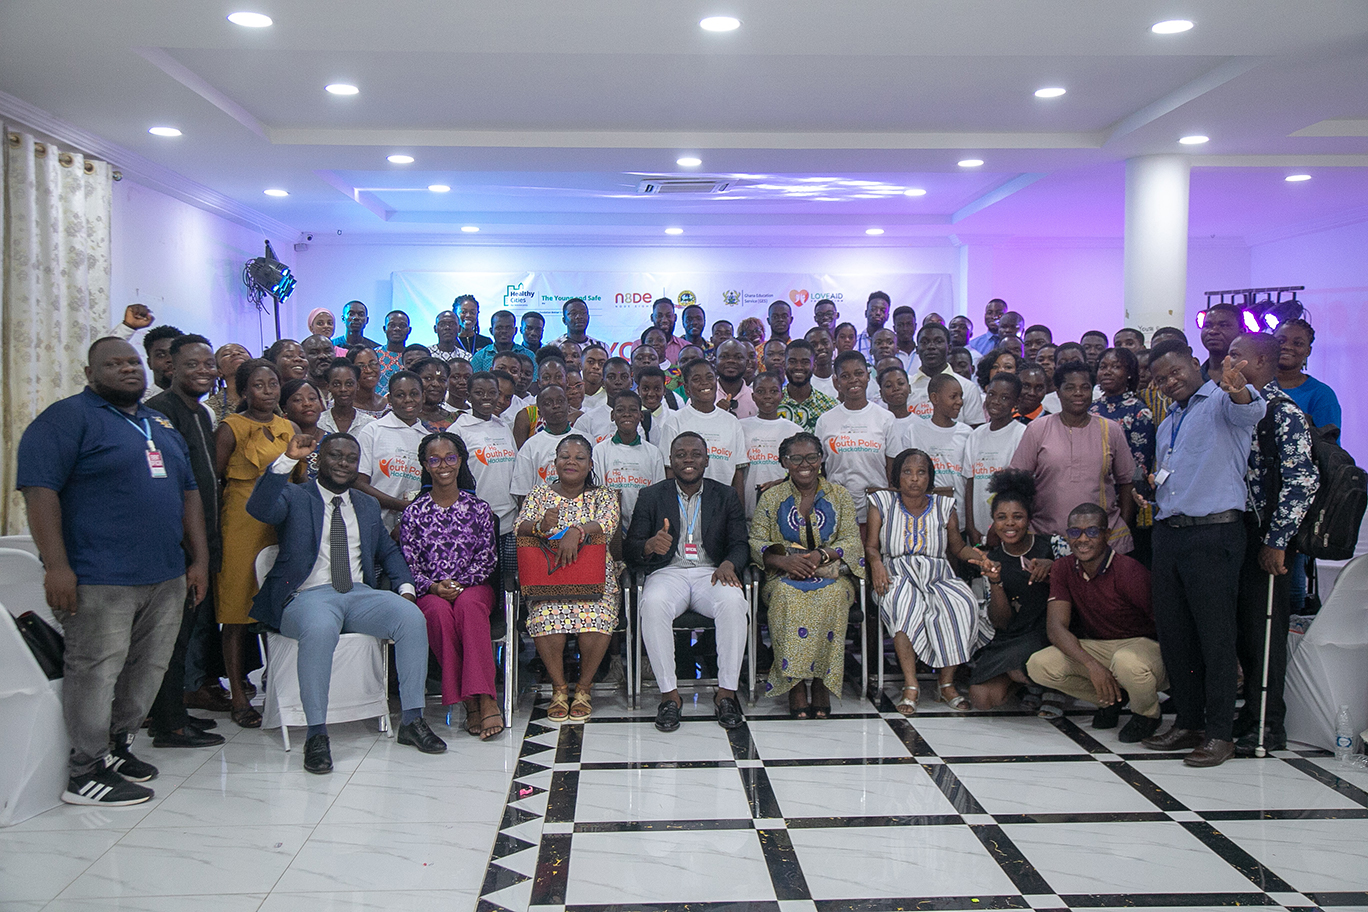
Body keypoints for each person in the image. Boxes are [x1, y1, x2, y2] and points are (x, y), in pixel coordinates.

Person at [19, 337, 209, 805]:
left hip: (165, 573)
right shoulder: (66, 419)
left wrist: (199, 560)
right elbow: (40, 491)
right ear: (89, 373)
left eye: (133, 362)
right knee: (96, 670)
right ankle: (85, 771)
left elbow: (189, 494)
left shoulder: (158, 422)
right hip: (99, 574)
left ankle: (119, 747)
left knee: (148, 667)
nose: (128, 370)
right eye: (113, 364)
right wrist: (57, 565)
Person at [247, 433, 446, 773]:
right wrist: (285, 460)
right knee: (321, 627)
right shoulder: (296, 496)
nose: (343, 463)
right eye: (335, 455)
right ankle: (316, 734)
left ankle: (412, 720)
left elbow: (388, 551)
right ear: (318, 460)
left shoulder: (365, 504)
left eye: (350, 458)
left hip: (356, 593)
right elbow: (259, 508)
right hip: (306, 596)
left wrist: (406, 588)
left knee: (411, 617)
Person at [1142, 340, 1265, 767]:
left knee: (1215, 638)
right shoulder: (1169, 420)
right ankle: (1188, 722)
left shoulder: (1220, 402)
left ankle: (1220, 734)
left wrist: (1237, 389)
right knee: (1176, 636)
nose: (1169, 382)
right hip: (1170, 534)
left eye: (1176, 372)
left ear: (1195, 364)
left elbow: (1251, 411)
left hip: (1214, 535)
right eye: (1160, 379)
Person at [1228, 333, 1317, 757]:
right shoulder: (1238, 407)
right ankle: (1249, 713)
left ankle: (1269, 723)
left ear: (1261, 361)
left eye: (1236, 356)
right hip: (1236, 531)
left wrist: (1278, 540)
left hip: (1268, 536)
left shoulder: (1283, 413)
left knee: (1266, 630)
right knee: (1246, 630)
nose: (1228, 361)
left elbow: (1302, 482)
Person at [627, 433, 750, 732]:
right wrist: (649, 546)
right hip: (669, 573)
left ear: (707, 460)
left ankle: (726, 694)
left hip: (712, 571)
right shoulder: (652, 496)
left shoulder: (725, 495)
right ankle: (670, 696)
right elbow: (631, 546)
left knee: (734, 603)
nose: (688, 460)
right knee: (653, 605)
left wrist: (729, 563)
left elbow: (741, 543)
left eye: (695, 454)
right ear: (671, 461)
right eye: (681, 454)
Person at [146, 335, 233, 738]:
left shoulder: (199, 414)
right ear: (171, 369)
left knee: (185, 635)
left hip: (203, 541)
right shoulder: (157, 413)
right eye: (192, 365)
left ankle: (174, 711)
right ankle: (166, 722)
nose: (203, 371)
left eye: (208, 364)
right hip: (174, 546)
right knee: (167, 637)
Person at [1025, 503, 1166, 742]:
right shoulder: (1063, 568)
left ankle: (1147, 714)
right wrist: (1092, 665)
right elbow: (1056, 627)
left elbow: (1165, 623)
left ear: (1106, 534)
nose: (1082, 539)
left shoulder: (1129, 571)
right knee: (1039, 664)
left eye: (1092, 531)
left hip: (1143, 647)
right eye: (1074, 532)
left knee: (1126, 663)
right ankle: (1110, 699)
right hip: (1100, 646)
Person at [866, 448, 989, 715]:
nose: (914, 479)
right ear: (897, 477)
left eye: (921, 472)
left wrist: (981, 559)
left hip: (937, 573)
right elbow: (872, 546)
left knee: (962, 602)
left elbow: (957, 548)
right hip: (896, 571)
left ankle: (946, 683)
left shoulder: (944, 506)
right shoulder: (882, 503)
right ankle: (911, 685)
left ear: (929, 477)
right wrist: (876, 564)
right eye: (907, 472)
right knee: (901, 603)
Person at [398, 432, 504, 739]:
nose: (443, 465)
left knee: (469, 608)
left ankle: (483, 698)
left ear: (461, 462)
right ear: (425, 465)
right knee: (438, 614)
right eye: (435, 459)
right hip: (431, 592)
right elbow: (409, 565)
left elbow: (487, 559)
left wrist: (459, 583)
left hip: (474, 587)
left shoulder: (479, 508)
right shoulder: (414, 513)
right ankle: (474, 701)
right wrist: (432, 587)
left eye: (450, 458)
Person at [751, 432, 864, 717]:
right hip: (781, 577)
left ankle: (823, 683)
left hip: (832, 576)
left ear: (821, 460)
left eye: (812, 457)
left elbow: (851, 541)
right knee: (788, 597)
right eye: (796, 458)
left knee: (833, 596)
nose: (805, 464)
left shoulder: (840, 496)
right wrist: (783, 562)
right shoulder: (771, 497)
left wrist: (820, 556)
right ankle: (796, 684)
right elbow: (755, 541)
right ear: (783, 462)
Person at [215, 358, 297, 727]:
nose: (268, 392)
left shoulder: (288, 427)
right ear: (244, 390)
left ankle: (280, 687)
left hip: (279, 522)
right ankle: (237, 696)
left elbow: (298, 481)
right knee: (235, 611)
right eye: (260, 385)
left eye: (274, 384)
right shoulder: (231, 427)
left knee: (277, 607)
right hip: (241, 522)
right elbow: (214, 481)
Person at [517, 434, 621, 721]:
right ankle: (560, 689)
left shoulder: (603, 495)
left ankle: (584, 688)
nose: (571, 462)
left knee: (596, 618)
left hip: (595, 580)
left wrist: (577, 530)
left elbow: (608, 524)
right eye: (565, 456)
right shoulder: (539, 495)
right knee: (545, 617)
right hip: (547, 582)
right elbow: (519, 527)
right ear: (555, 462)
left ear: (590, 465)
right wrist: (539, 525)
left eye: (579, 457)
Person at [1010, 361, 1136, 551]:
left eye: (1085, 387)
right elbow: (1017, 482)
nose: (1078, 393)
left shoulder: (1111, 430)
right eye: (1070, 388)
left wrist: (1123, 525)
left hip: (1103, 540)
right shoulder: (1038, 429)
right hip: (1047, 537)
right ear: (1058, 393)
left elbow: (1126, 483)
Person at [968, 470, 1056, 711]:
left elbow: (1081, 580)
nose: (1009, 524)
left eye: (1017, 517)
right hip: (1010, 637)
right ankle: (1025, 683)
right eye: (1001, 517)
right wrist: (995, 582)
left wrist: (1054, 567)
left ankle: (1041, 684)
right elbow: (1002, 622)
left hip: (1046, 634)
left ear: (1028, 518)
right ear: (993, 521)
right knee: (981, 698)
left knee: (1023, 664)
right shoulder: (992, 560)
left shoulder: (1051, 546)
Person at [814, 351, 896, 525]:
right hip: (837, 511)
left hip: (878, 510)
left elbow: (891, 471)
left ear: (868, 376)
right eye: (845, 376)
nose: (853, 380)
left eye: (859, 373)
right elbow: (820, 470)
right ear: (837, 382)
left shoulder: (886, 418)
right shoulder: (825, 421)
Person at [658, 359, 749, 502]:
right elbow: (670, 472)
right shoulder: (674, 422)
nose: (704, 383)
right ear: (687, 389)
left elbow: (738, 473)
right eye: (696, 379)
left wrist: (738, 515)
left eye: (709, 377)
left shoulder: (731, 422)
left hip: (723, 503)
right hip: (686, 503)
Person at [452, 372, 519, 564]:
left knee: (507, 584)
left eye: (492, 392)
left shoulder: (503, 426)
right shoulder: (458, 431)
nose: (486, 397)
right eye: (479, 392)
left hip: (508, 520)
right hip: (474, 521)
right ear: (469, 396)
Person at [894, 372, 972, 530]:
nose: (959, 402)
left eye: (961, 396)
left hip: (958, 516)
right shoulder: (914, 431)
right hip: (923, 518)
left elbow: (969, 480)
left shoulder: (967, 433)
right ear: (935, 398)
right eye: (953, 397)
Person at [351, 370, 427, 530]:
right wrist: (401, 505)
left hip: (416, 526)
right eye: (400, 395)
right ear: (390, 399)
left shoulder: (428, 439)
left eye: (414, 394)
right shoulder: (372, 431)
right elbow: (359, 483)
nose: (408, 400)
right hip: (375, 523)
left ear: (423, 397)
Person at [962, 374, 1028, 545]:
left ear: (1015, 402)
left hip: (1007, 528)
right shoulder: (975, 435)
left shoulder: (1021, 434)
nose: (996, 401)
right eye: (992, 395)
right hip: (978, 523)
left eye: (1005, 397)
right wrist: (970, 526)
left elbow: (1019, 489)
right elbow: (970, 481)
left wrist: (997, 528)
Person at [592, 389, 665, 530]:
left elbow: (658, 494)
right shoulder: (600, 451)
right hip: (610, 526)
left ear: (641, 416)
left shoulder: (653, 453)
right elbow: (598, 492)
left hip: (644, 526)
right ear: (613, 416)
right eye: (620, 410)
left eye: (633, 410)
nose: (627, 414)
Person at [740, 373, 802, 519]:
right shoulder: (741, 427)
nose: (767, 396)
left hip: (786, 511)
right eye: (761, 391)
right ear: (753, 396)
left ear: (781, 395)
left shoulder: (795, 431)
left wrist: (783, 482)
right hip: (749, 511)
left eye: (774, 391)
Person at [908, 323, 985, 426]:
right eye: (925, 342)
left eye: (938, 341)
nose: (931, 347)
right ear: (917, 350)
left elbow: (975, 432)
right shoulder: (907, 387)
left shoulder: (967, 387)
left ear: (949, 348)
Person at [1275, 318, 1341, 430]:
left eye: (1298, 343)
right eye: (1281, 341)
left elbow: (1328, 444)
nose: (1287, 346)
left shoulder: (1321, 394)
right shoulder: (1254, 386)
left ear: (1308, 351)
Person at [513, 385, 576, 501]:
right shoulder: (530, 446)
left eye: (560, 401)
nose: (556, 406)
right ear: (540, 412)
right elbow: (523, 493)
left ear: (568, 406)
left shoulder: (585, 440)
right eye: (548, 403)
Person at [573, 356, 632, 443]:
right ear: (603, 383)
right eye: (612, 377)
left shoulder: (642, 418)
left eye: (624, 377)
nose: (618, 382)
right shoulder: (587, 420)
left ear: (631, 382)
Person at [281, 379, 326, 479]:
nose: (307, 404)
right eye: (298, 400)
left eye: (312, 398)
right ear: (284, 408)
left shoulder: (332, 440)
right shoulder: (280, 440)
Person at [319, 358, 375, 436]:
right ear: (328, 387)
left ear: (357, 386)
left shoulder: (369, 424)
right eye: (336, 384)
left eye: (349, 384)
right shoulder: (318, 422)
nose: (343, 389)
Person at [1197, 303, 1243, 382]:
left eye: (1223, 325)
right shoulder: (1195, 377)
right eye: (1207, 326)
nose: (1213, 331)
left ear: (1241, 332)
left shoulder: (1250, 375)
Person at [713, 339, 758, 418]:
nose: (731, 361)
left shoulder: (756, 399)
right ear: (715, 361)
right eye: (724, 356)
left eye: (738, 357)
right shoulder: (701, 398)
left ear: (747, 363)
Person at [411, 357, 456, 431]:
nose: (436, 384)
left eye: (442, 380)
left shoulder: (456, 419)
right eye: (428, 378)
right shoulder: (405, 418)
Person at [209, 342, 251, 420]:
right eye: (226, 354)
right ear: (219, 371)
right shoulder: (209, 407)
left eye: (241, 352)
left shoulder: (266, 398)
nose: (235, 353)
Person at [373, 310, 412, 394]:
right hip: (376, 406)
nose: (397, 329)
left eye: (402, 326)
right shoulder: (373, 355)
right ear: (384, 329)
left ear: (409, 330)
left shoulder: (412, 356)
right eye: (392, 325)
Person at [347, 346, 388, 416]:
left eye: (373, 364)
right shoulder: (344, 405)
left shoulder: (388, 405)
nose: (368, 370)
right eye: (361, 366)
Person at [854, 291, 891, 356]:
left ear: (887, 316)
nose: (878, 313)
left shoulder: (893, 343)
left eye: (882, 310)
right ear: (866, 313)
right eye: (873, 309)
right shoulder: (854, 342)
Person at [805, 327, 838, 398]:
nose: (820, 347)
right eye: (813, 345)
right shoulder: (804, 383)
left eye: (825, 343)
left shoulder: (843, 379)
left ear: (834, 345)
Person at [651, 297, 687, 362]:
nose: (664, 320)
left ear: (675, 318)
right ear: (652, 318)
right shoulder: (639, 346)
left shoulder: (686, 347)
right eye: (659, 316)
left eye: (669, 316)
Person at [892, 305, 920, 372]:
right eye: (900, 325)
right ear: (894, 328)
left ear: (915, 326)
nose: (905, 329)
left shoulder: (922, 353)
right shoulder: (890, 354)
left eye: (909, 324)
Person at [581, 343, 609, 407]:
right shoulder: (572, 394)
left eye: (601, 363)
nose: (596, 367)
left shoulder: (610, 396)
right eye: (590, 362)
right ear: (580, 365)